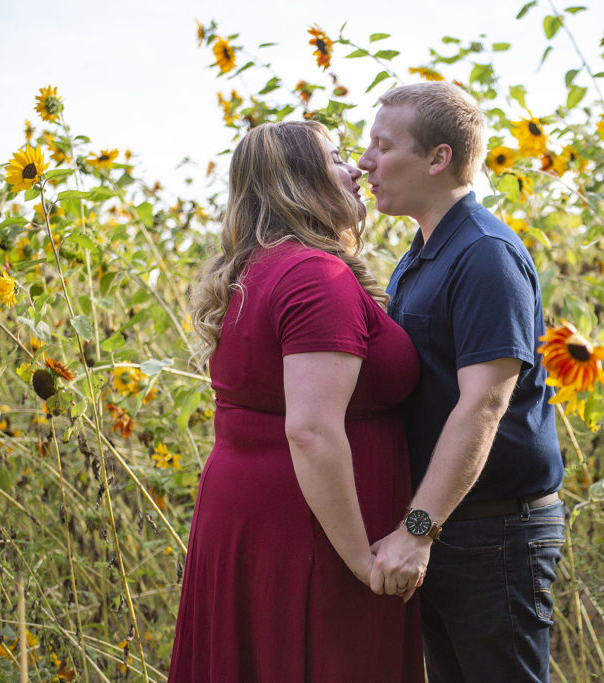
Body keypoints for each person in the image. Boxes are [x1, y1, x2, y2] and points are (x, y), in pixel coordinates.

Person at [168, 121, 424, 682]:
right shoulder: (314, 276)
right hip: (311, 533)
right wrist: (361, 558)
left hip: (261, 517)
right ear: (297, 180)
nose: (355, 168)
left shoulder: (258, 267)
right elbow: (311, 430)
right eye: (336, 157)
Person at [358, 83, 566, 682]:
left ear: (437, 158)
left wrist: (417, 530)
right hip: (448, 528)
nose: (366, 161)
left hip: (493, 533)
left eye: (383, 145)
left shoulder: (484, 254)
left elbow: (483, 406)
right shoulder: (423, 253)